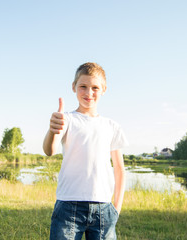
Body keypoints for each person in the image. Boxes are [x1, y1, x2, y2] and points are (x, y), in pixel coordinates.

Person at [43, 62, 128, 240]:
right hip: (68, 206)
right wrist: (52, 130)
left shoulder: (111, 126)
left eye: (95, 88)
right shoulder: (66, 119)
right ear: (74, 87)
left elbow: (119, 169)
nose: (89, 93)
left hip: (104, 208)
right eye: (83, 86)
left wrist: (116, 208)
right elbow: (49, 150)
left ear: (104, 89)